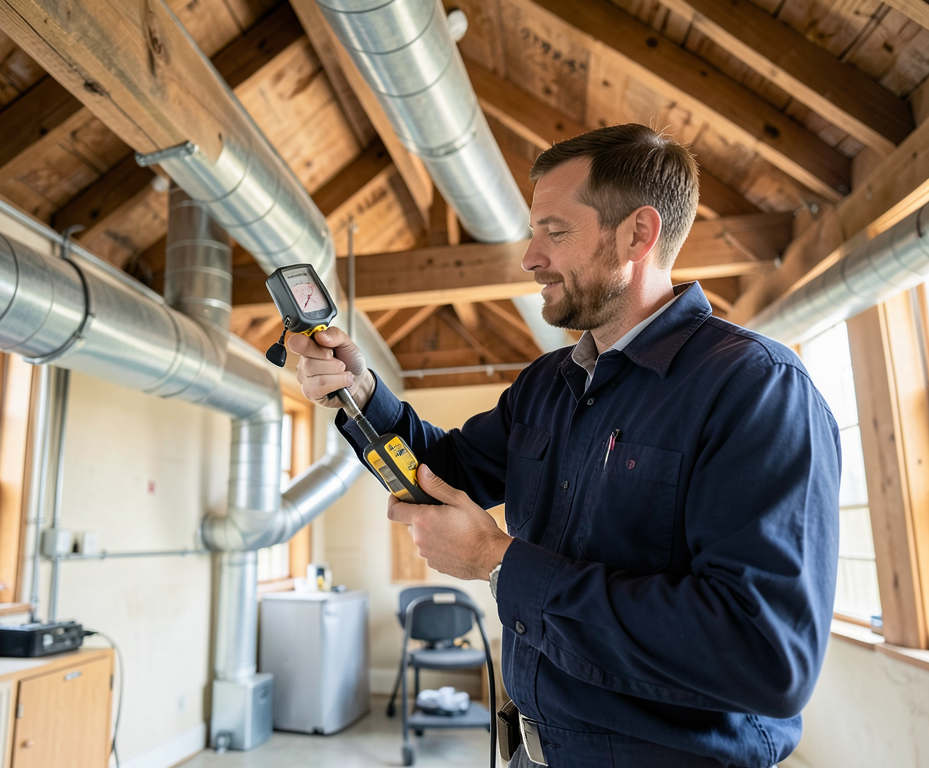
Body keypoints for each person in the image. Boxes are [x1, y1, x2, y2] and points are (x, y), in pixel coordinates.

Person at [288, 124, 840, 768]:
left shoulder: (756, 388)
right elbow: (443, 471)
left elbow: (764, 654)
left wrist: (500, 563)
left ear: (639, 233)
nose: (529, 257)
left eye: (556, 232)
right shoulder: (546, 386)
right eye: (533, 233)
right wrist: (357, 390)